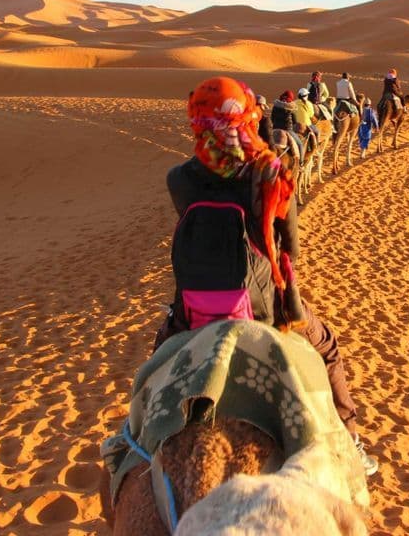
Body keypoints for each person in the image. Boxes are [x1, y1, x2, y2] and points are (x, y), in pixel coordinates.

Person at [159, 76, 377, 474]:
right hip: (264, 307)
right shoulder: (270, 171)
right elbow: (290, 248)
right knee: (327, 349)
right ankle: (351, 445)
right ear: (247, 115)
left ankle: (133, 446)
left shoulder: (179, 179)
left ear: (197, 119)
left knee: (157, 364)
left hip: (193, 310)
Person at [271, 90, 304, 156]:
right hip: (287, 130)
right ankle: (301, 163)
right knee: (300, 144)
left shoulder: (275, 106)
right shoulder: (291, 108)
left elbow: (272, 118)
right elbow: (295, 121)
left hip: (275, 129)